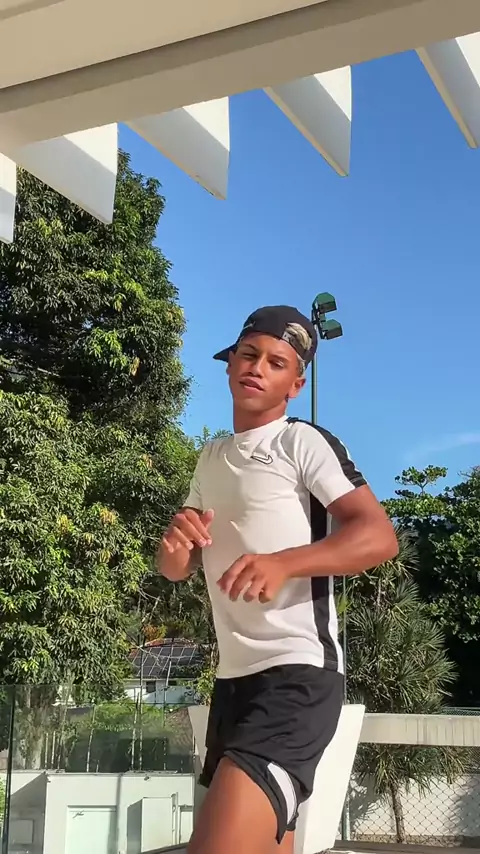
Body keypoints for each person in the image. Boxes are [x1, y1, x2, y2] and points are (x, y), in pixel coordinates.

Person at [158, 305, 398, 854]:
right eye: (249, 354)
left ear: (296, 385)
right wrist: (173, 547)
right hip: (232, 684)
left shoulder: (301, 442)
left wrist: (284, 562)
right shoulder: (210, 457)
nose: (257, 367)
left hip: (297, 677)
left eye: (276, 362)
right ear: (228, 364)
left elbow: (379, 536)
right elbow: (176, 568)